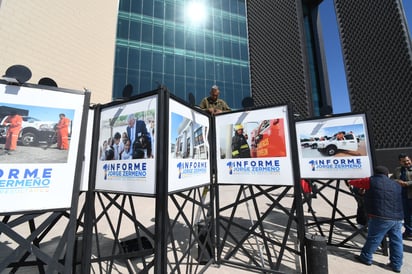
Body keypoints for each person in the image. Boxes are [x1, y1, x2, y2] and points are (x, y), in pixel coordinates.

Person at [349, 166, 403, 273]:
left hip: (380, 216)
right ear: (387, 174)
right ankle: (396, 265)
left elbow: (354, 182)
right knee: (397, 241)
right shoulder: (396, 184)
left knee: (374, 238)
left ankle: (366, 257)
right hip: (397, 217)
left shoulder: (371, 181)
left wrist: (350, 180)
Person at [390, 153, 412, 240]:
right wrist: (397, 181)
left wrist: (406, 184)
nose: (407, 162)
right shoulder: (398, 170)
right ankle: (409, 231)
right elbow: (391, 179)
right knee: (407, 215)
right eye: (404, 161)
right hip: (403, 196)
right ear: (400, 162)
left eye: (408, 160)